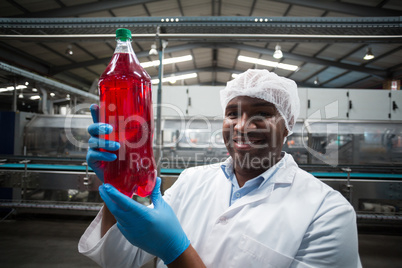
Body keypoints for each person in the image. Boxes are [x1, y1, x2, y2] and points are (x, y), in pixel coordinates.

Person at [79, 69, 361, 268]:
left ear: (287, 125)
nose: (241, 126)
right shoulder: (192, 181)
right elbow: (119, 260)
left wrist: (175, 252)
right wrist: (118, 185)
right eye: (233, 114)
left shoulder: (327, 212)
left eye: (262, 113)